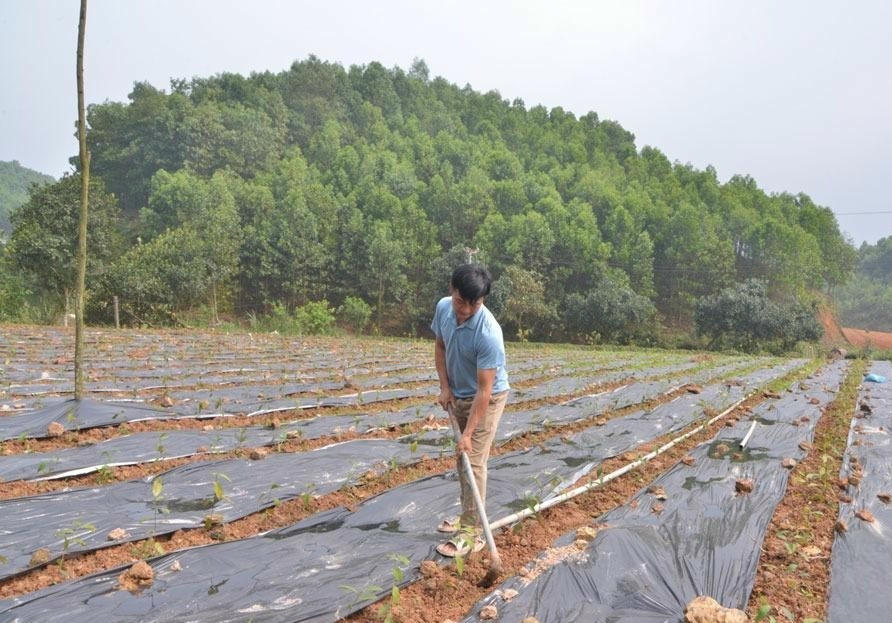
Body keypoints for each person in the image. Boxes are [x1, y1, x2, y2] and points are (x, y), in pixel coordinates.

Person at [430, 264, 510, 557]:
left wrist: (468, 433)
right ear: (451, 291)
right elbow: (440, 346)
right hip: (459, 391)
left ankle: (473, 532)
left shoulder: (489, 333)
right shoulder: (443, 309)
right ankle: (468, 514)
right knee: (462, 460)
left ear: (483, 300)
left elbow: (485, 391)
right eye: (460, 301)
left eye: (473, 303)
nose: (464, 309)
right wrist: (444, 387)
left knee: (472, 459)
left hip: (486, 398)